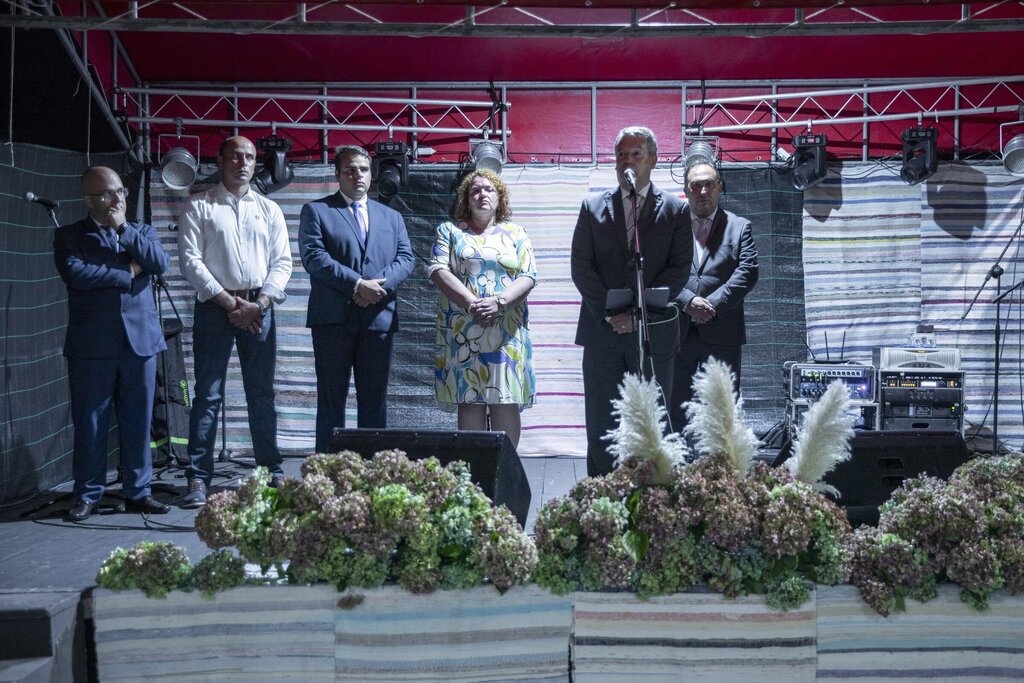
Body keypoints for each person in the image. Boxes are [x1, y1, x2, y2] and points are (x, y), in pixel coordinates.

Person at [177, 135, 293, 508]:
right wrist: (231, 304)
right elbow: (190, 262)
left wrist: (258, 304)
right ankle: (198, 477)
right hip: (215, 307)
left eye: (250, 157)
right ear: (220, 160)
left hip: (259, 307)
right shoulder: (198, 205)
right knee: (207, 394)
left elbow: (283, 263)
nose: (243, 163)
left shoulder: (269, 209)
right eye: (236, 156)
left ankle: (271, 469)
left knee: (261, 393)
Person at [571, 126, 691, 476]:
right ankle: (602, 495)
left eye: (636, 154)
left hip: (653, 336)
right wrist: (611, 314)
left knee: (652, 421)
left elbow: (679, 269)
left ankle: (652, 496)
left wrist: (638, 315)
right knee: (601, 423)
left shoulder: (675, 210)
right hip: (602, 333)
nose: (627, 161)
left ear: (653, 160)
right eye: (621, 154)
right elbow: (581, 267)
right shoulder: (592, 207)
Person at [54, 166, 172, 521]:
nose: (117, 198)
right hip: (92, 346)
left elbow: (159, 263)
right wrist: (129, 271)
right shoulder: (69, 236)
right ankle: (88, 494)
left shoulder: (141, 231)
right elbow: (78, 274)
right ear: (89, 200)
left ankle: (139, 492)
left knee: (138, 421)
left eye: (120, 191)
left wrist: (123, 229)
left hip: (140, 343)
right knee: (91, 423)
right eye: (108, 193)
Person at [298, 145, 415, 452]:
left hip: (378, 319)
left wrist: (377, 288)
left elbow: (406, 259)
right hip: (333, 321)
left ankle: (373, 468)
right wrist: (357, 285)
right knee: (331, 400)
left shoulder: (392, 217)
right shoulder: (317, 211)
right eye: (350, 169)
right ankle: (327, 469)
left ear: (371, 174)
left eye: (363, 169)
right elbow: (314, 258)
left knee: (374, 401)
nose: (357, 175)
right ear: (337, 174)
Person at [427, 170, 537, 448]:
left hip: (506, 331)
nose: (482, 194)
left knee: (505, 400)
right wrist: (473, 304)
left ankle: (506, 468)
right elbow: (438, 270)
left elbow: (528, 276)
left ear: (500, 198)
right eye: (475, 190)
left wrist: (498, 303)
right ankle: (474, 468)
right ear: (466, 199)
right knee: (470, 401)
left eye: (489, 189)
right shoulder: (449, 231)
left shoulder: (517, 233)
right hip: (464, 329)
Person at [669, 162, 759, 432]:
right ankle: (675, 457)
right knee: (674, 409)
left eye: (709, 184)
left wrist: (711, 306)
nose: (703, 191)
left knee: (722, 410)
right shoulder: (670, 226)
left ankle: (718, 459)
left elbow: (748, 272)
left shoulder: (739, 227)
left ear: (720, 186)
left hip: (723, 331)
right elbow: (658, 270)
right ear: (686, 190)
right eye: (696, 185)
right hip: (678, 331)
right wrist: (687, 301)